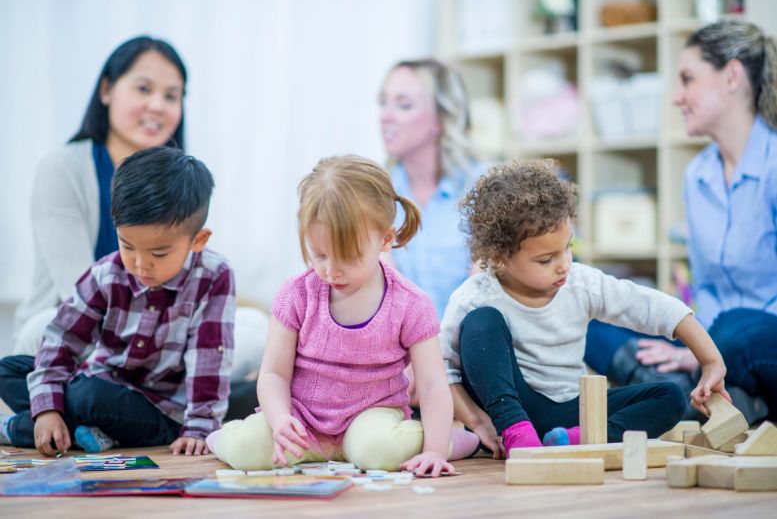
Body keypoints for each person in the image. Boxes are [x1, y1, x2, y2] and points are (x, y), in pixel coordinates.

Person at [10, 35, 264, 397]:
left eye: (171, 96)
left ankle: (134, 396)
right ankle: (149, 396)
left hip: (160, 340)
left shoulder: (180, 180)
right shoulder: (63, 169)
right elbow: (76, 292)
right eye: (144, 89)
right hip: (89, 333)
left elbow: (194, 278)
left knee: (256, 327)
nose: (157, 105)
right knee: (40, 328)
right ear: (106, 90)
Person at [206, 155, 478, 475]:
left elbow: (433, 385)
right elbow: (274, 374)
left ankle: (448, 441)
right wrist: (280, 419)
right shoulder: (297, 294)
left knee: (378, 450)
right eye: (319, 255)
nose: (331, 270)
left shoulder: (411, 304)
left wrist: (433, 450)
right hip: (302, 420)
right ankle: (226, 439)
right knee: (244, 448)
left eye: (348, 257)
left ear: (385, 240)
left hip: (371, 419)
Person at [440, 160, 729, 456]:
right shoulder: (474, 296)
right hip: (509, 410)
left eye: (568, 248)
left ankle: (582, 439)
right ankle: (518, 432)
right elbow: (443, 369)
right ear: (500, 257)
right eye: (546, 260)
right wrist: (479, 422)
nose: (564, 265)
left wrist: (710, 360)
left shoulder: (582, 283)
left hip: (573, 411)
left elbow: (651, 307)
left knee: (669, 396)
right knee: (481, 322)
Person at [586, 20, 777, 423]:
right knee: (583, 317)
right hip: (714, 345)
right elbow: (704, 285)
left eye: (688, 80)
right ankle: (709, 397)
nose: (676, 97)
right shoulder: (697, 176)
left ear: (732, 77)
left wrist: (702, 348)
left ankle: (679, 394)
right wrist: (691, 346)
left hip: (760, 341)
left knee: (736, 326)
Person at [0, 147, 234, 457]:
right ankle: (77, 431)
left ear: (198, 240)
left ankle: (17, 429)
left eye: (159, 253)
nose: (140, 264)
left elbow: (208, 360)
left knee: (86, 396)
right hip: (103, 381)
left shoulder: (214, 276)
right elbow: (62, 340)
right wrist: (46, 411)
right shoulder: (106, 273)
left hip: (159, 410)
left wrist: (200, 427)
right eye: (128, 246)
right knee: (9, 369)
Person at [380, 59, 483, 320]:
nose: (385, 116)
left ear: (441, 118)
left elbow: (483, 297)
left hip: (468, 348)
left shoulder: (487, 188)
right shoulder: (373, 196)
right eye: (383, 102)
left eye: (403, 105)